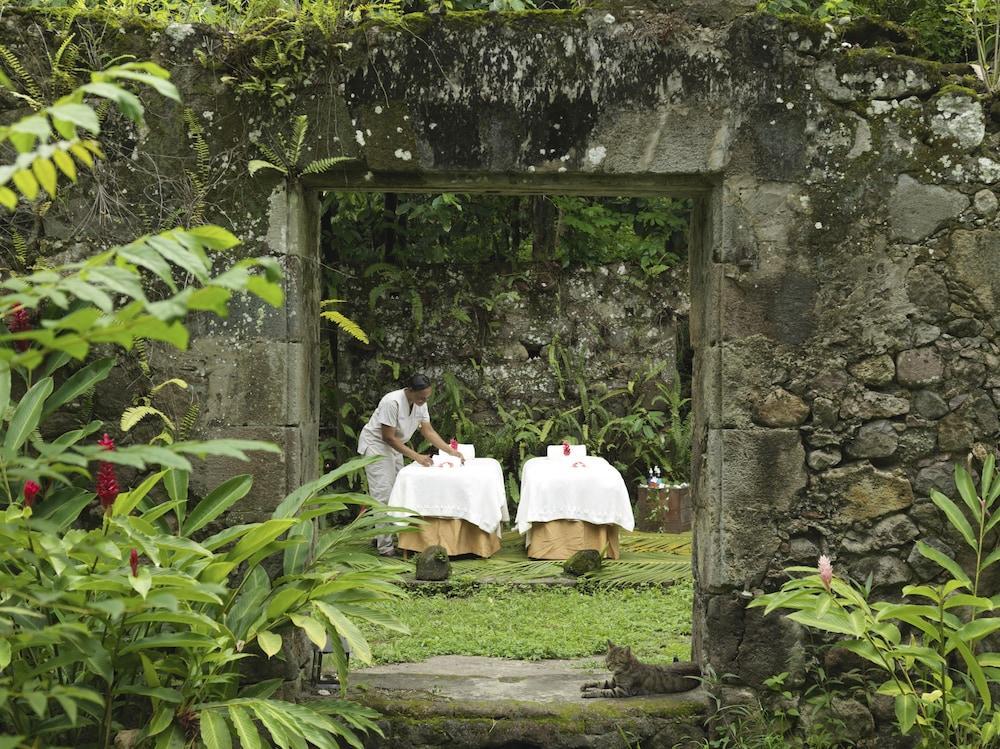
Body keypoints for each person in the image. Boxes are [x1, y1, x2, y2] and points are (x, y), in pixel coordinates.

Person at [357, 373, 465, 556]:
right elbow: (387, 437)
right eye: (421, 397)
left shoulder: (420, 403)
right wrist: (416, 456)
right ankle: (385, 548)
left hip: (395, 446)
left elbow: (428, 431)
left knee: (398, 491)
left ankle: (382, 536)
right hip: (377, 446)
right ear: (410, 391)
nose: (424, 400)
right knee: (382, 494)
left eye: (427, 397)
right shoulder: (392, 402)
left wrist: (450, 451)